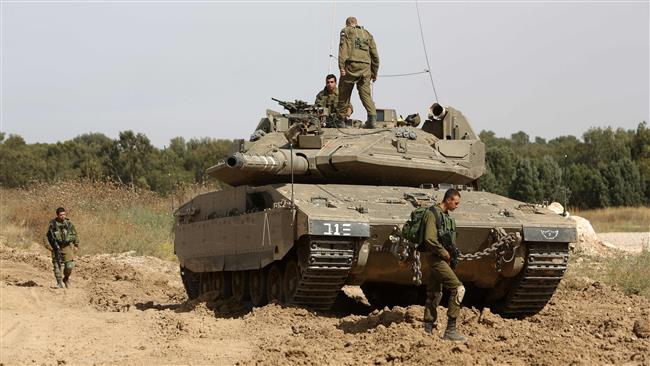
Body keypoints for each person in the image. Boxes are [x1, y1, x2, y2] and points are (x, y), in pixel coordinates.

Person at [422, 188, 467, 341]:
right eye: (456, 202)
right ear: (448, 200)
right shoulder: (432, 214)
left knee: (434, 293)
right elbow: (429, 239)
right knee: (458, 289)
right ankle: (450, 331)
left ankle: (427, 330)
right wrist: (444, 252)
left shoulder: (446, 216)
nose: (457, 206)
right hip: (436, 258)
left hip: (442, 258)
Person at [336, 16, 379, 129]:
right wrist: (375, 71)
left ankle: (340, 119)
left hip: (351, 65)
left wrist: (341, 66)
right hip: (366, 67)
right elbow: (374, 54)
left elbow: (343, 48)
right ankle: (372, 119)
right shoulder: (367, 34)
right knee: (365, 94)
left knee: (344, 92)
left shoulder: (346, 31)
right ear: (356, 23)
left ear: (347, 24)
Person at [45, 207, 79, 288]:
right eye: (61, 215)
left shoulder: (69, 223)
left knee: (69, 266)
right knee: (57, 266)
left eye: (64, 214)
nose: (63, 216)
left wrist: (76, 244)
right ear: (57, 215)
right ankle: (59, 282)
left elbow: (75, 234)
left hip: (67, 247)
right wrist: (50, 247)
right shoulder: (52, 224)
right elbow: (45, 236)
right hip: (56, 247)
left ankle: (66, 278)